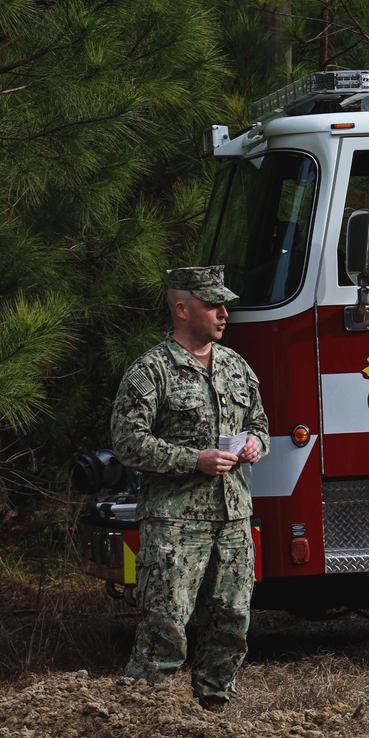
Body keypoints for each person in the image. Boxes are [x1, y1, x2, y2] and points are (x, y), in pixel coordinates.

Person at [110, 265, 270, 709]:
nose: (223, 313)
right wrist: (192, 460)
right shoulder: (151, 371)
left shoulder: (236, 367)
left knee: (231, 623)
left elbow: (260, 422)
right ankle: (143, 721)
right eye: (213, 305)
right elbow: (128, 441)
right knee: (165, 627)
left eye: (225, 305)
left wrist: (256, 442)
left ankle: (215, 715)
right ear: (182, 308)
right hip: (175, 521)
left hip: (233, 517)